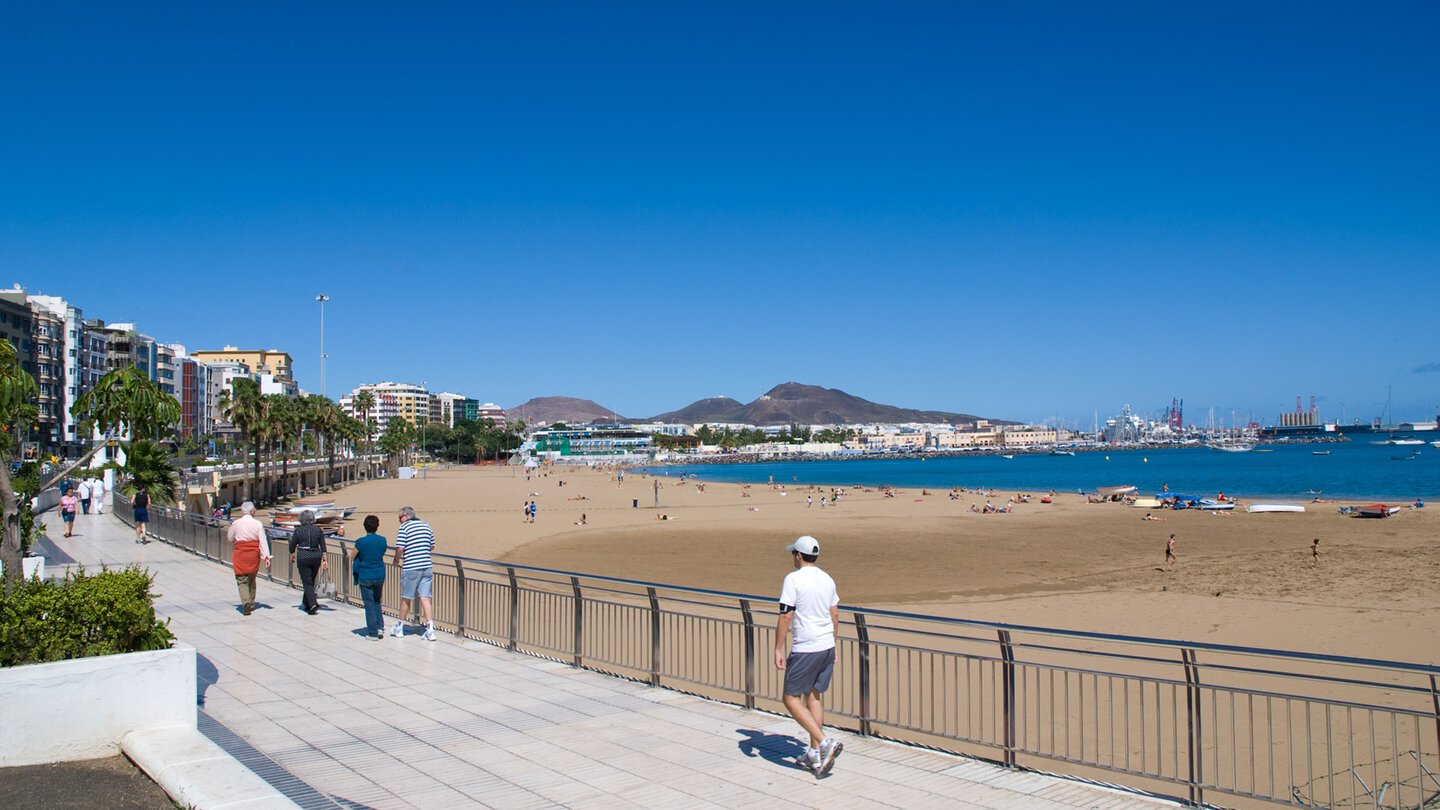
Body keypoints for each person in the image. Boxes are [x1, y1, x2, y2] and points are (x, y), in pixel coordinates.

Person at [774, 535, 843, 777]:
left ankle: (825, 743)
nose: (793, 557)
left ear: (799, 555)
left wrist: (778, 648)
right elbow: (834, 614)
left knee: (791, 699)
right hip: (825, 645)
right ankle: (814, 755)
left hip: (806, 646)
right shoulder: (827, 578)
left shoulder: (793, 579)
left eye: (794, 553)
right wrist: (832, 644)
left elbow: (786, 616)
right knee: (813, 697)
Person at [391, 506, 436, 641]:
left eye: (400, 518)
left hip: (411, 567)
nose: (399, 521)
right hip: (426, 566)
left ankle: (400, 626)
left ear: (406, 516)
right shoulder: (426, 526)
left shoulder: (405, 528)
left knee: (407, 597)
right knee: (425, 597)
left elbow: (400, 547)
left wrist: (396, 559)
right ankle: (430, 629)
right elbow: (432, 545)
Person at [227, 501, 272, 615]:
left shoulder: (236, 523)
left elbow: (229, 537)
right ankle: (251, 602)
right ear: (252, 511)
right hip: (253, 554)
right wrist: (266, 557)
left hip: (240, 553)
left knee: (241, 579)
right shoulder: (257, 524)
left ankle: (245, 602)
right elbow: (262, 540)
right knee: (252, 578)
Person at [349, 514, 388, 639]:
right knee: (377, 601)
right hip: (379, 573)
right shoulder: (383, 540)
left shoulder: (361, 542)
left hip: (366, 575)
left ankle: (373, 632)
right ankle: (380, 627)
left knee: (369, 604)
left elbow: (352, 556)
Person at [288, 510, 329, 615]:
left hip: (303, 556)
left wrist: (292, 555)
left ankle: (312, 604)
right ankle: (306, 602)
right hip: (316, 556)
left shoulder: (299, 531)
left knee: (307, 582)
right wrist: (325, 560)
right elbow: (323, 547)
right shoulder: (318, 530)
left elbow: (292, 545)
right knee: (311, 580)